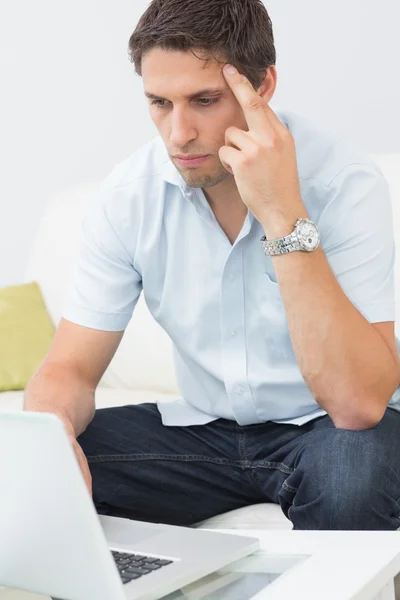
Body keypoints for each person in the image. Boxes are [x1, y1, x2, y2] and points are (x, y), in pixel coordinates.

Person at [24, 0, 400, 531]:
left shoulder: (344, 184)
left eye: (204, 100)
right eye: (159, 102)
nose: (178, 133)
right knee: (30, 468)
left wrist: (281, 212)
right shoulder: (130, 196)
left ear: (262, 85)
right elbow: (70, 370)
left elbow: (358, 405)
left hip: (328, 429)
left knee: (353, 474)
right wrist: (51, 429)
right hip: (204, 431)